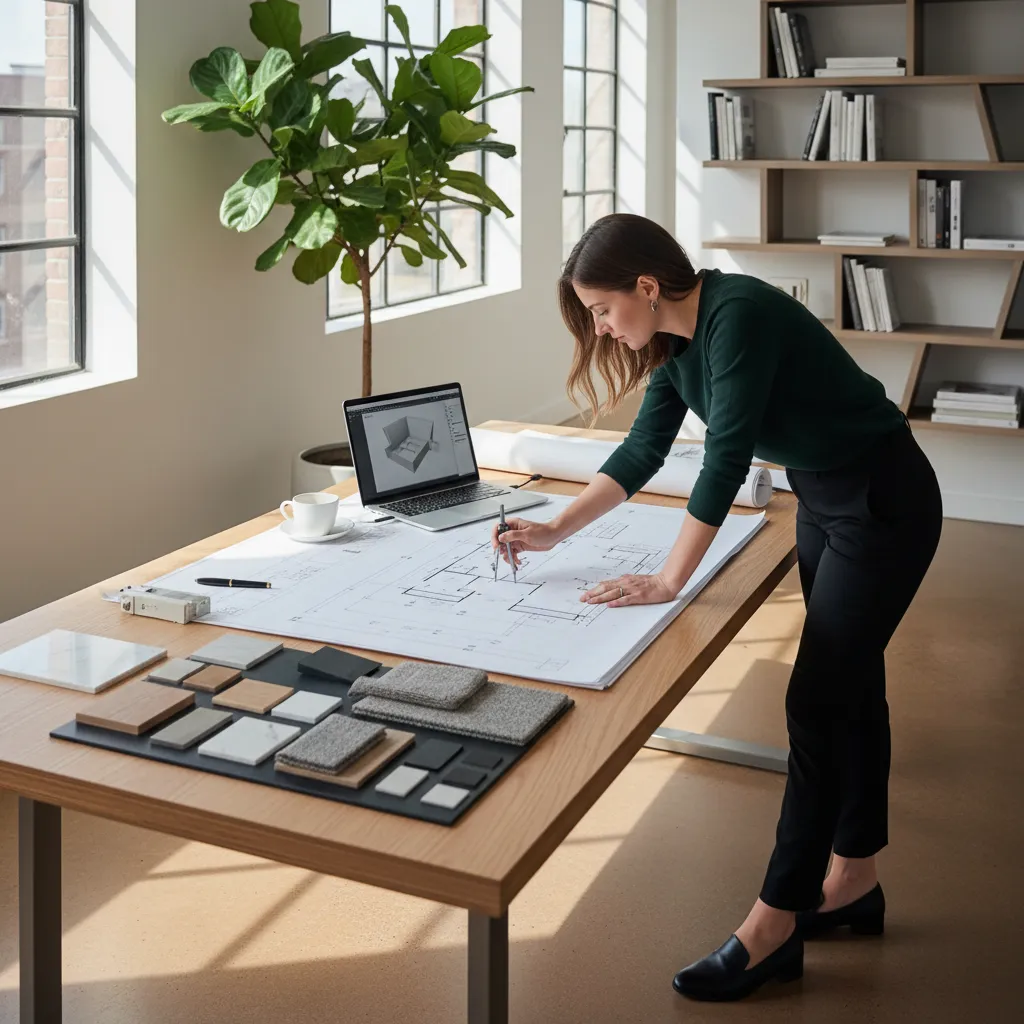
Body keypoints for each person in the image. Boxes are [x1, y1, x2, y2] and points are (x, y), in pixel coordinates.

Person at [490, 213, 943, 1002]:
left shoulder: (740, 317)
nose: (600, 329)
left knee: (817, 701)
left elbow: (726, 458)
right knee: (851, 688)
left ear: (646, 286)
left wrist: (670, 579)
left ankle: (775, 923)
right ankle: (854, 881)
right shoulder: (674, 342)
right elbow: (643, 450)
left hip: (883, 499)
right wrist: (555, 530)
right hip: (824, 496)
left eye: (602, 310)